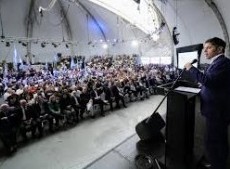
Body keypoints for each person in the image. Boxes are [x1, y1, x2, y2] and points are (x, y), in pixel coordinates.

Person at [184, 37, 230, 169]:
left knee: (216, 141)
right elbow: (213, 83)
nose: (205, 51)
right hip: (215, 110)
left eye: (208, 48)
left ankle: (218, 165)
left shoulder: (223, 63)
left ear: (220, 49)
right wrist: (203, 85)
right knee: (214, 139)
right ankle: (216, 162)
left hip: (217, 111)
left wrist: (191, 68)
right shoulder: (216, 63)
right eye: (204, 49)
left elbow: (209, 81)